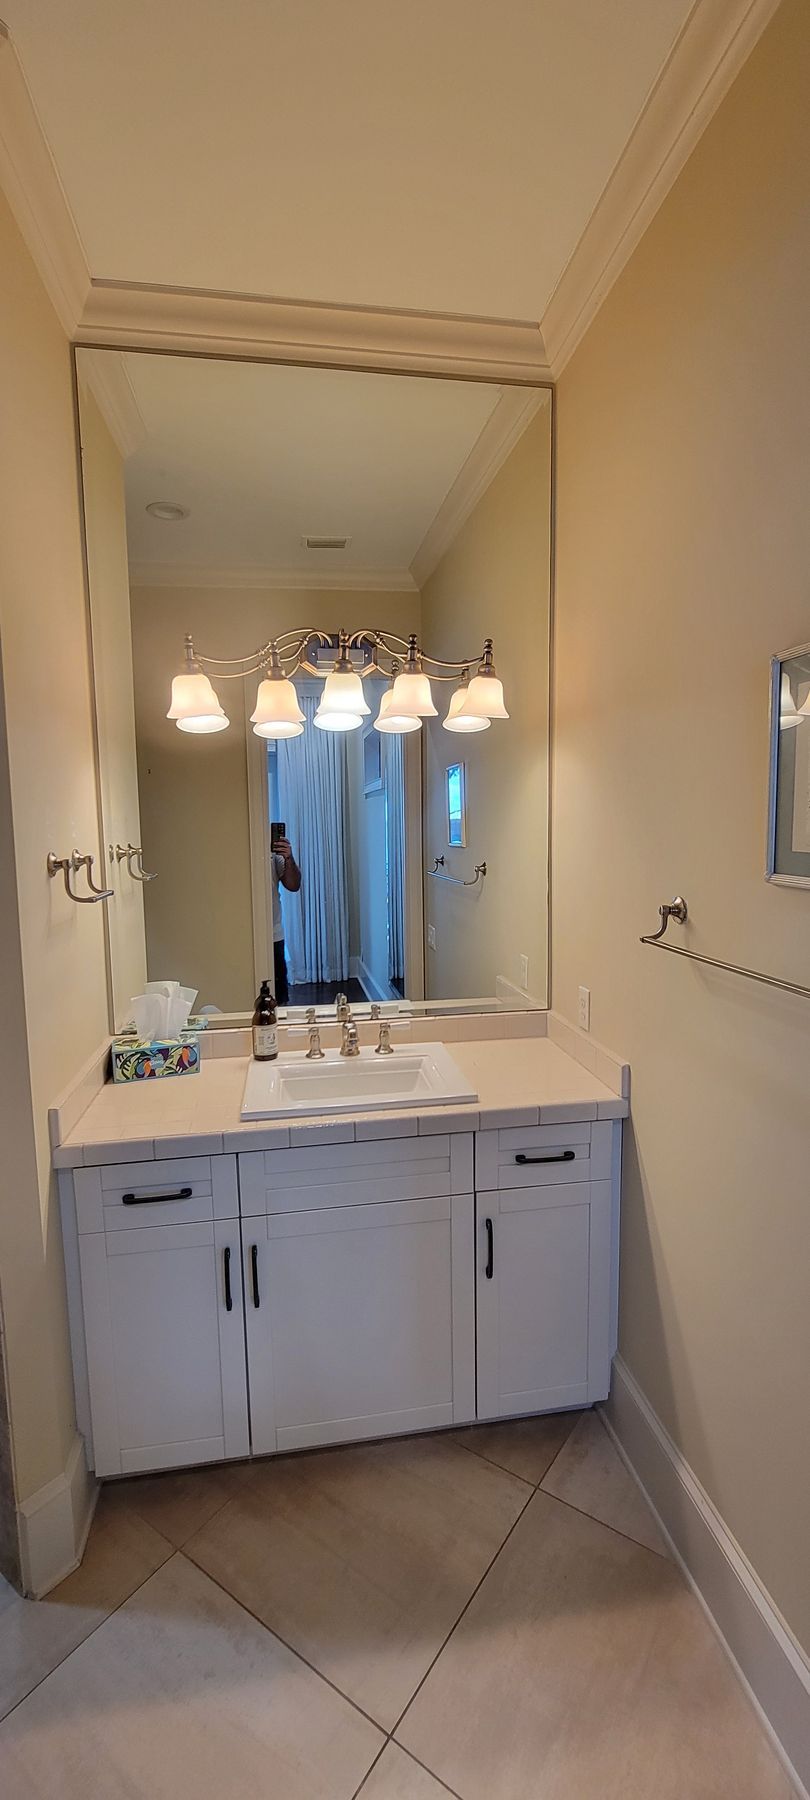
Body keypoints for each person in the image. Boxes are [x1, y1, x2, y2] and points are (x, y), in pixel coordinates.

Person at [270, 830, 301, 1006]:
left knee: (279, 999)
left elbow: (293, 884)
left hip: (274, 934)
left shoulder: (274, 852)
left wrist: (289, 858)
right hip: (244, 933)